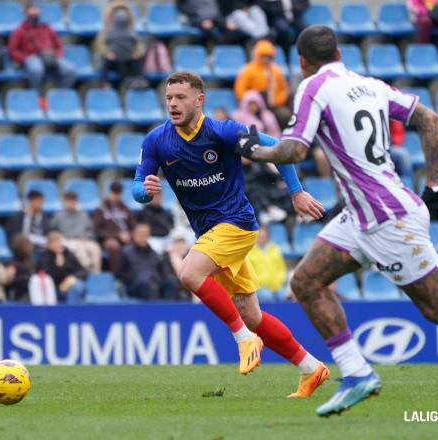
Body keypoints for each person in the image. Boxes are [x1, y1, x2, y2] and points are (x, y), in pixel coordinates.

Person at [235, 25, 438, 417]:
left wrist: (253, 150)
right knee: (306, 281)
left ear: (301, 61)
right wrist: (433, 185)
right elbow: (429, 118)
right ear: (338, 51)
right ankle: (356, 374)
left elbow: (294, 150)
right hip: (361, 215)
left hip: (388, 218)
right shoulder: (370, 85)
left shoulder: (314, 87)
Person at [133, 70, 329, 397]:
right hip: (210, 234)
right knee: (252, 314)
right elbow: (138, 186)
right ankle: (311, 367)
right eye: (169, 98)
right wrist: (144, 190)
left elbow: (277, 148)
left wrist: (295, 191)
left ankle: (243, 339)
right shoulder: (156, 140)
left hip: (236, 224)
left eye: (181, 97)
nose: (173, 104)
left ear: (200, 100)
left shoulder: (224, 133)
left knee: (189, 272)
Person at [8, 3, 76, 109]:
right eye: (32, 14)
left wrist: (57, 55)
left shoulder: (47, 28)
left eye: (37, 14)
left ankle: (59, 97)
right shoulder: (19, 30)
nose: (35, 17)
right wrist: (24, 58)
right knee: (36, 69)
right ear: (26, 14)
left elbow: (59, 46)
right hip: (31, 57)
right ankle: (38, 97)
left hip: (49, 56)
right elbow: (12, 51)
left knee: (70, 70)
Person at [234, 40, 290, 126]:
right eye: (263, 56)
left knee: (285, 115)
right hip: (253, 107)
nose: (266, 60)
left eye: (269, 57)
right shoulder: (248, 70)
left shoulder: (276, 71)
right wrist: (253, 102)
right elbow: (240, 90)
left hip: (273, 105)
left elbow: (283, 90)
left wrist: (276, 101)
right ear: (258, 55)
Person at [117, 222, 175, 300]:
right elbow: (120, 274)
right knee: (146, 284)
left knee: (170, 281)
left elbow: (161, 271)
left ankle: (169, 309)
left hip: (154, 282)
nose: (143, 236)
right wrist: (133, 279)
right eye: (140, 234)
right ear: (134, 234)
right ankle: (153, 311)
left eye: (145, 234)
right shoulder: (126, 252)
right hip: (136, 285)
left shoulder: (154, 253)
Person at [51, 192, 102, 273]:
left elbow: (91, 231)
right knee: (79, 249)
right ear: (65, 202)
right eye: (69, 201)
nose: (71, 203)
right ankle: (86, 271)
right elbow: (52, 231)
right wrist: (59, 238)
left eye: (73, 201)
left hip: (84, 240)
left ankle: (96, 274)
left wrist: (87, 236)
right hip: (67, 241)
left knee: (95, 248)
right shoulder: (59, 216)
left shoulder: (83, 215)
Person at [93, 181, 136, 274]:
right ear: (110, 192)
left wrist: (130, 234)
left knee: (138, 243)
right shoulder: (101, 209)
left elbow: (133, 226)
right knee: (113, 246)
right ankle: (116, 275)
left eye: (118, 194)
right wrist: (117, 235)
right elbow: (97, 230)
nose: (115, 196)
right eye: (113, 193)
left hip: (126, 238)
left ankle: (134, 274)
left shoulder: (125, 208)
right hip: (108, 239)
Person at [97, 1, 144, 86]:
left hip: (129, 58)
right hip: (113, 59)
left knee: (137, 62)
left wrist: (137, 53)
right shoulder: (106, 30)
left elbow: (139, 44)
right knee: (110, 64)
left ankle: (140, 81)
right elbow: (100, 45)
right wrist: (107, 53)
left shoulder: (131, 30)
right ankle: (104, 83)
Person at [37, 231, 87, 304]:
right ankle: (71, 312)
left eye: (59, 242)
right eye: (55, 243)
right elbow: (47, 278)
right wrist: (59, 267)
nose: (58, 245)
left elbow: (83, 272)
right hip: (56, 289)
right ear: (48, 245)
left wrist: (72, 278)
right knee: (76, 288)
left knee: (78, 286)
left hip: (72, 284)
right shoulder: (44, 258)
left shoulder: (68, 254)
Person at [247, 224, 286, 293]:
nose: (262, 239)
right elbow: (249, 273)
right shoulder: (250, 252)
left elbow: (282, 268)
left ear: (268, 237)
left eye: (264, 236)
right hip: (260, 287)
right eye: (260, 237)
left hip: (277, 286)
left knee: (283, 295)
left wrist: (280, 281)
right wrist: (258, 284)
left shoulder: (275, 249)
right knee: (267, 297)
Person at [7, 234, 35, 303]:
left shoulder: (31, 262)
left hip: (32, 292)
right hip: (19, 294)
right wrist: (25, 279)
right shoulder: (12, 263)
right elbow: (10, 282)